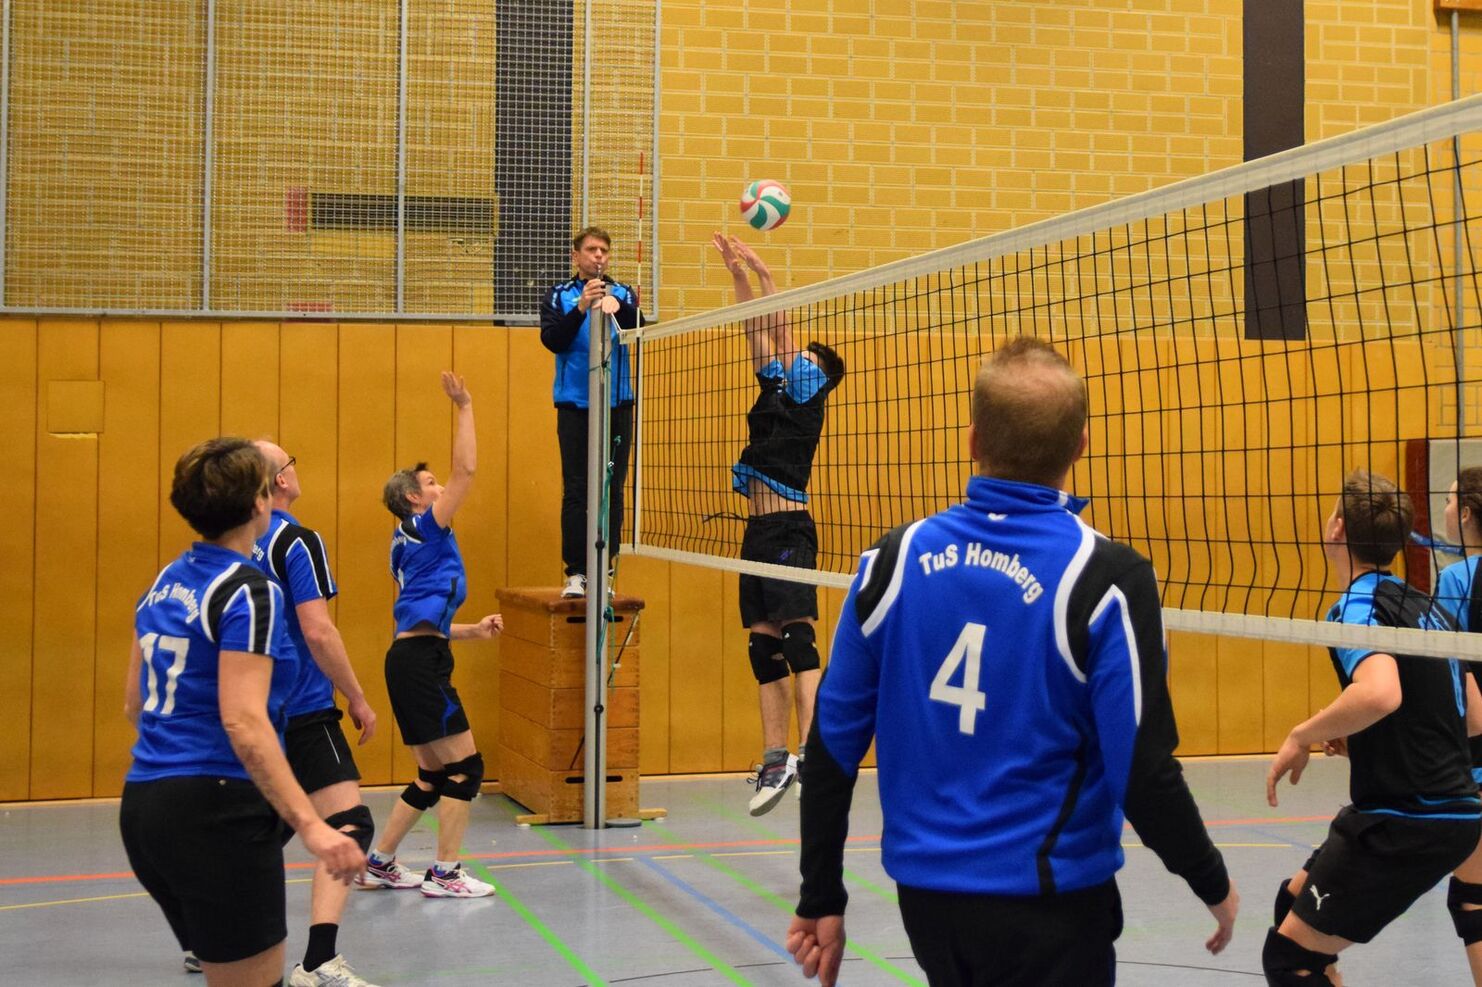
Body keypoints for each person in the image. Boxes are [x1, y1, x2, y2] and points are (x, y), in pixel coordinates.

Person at [787, 339, 1237, 987]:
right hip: (1052, 906)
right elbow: (1141, 768)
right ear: (1081, 444)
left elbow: (830, 746)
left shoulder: (889, 563)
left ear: (971, 438)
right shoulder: (1108, 577)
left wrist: (820, 894)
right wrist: (1210, 878)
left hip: (929, 906)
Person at [122, 437, 365, 987]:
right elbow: (243, 720)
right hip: (217, 811)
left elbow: (134, 703)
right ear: (259, 503)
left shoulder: (164, 582)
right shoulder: (249, 591)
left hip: (144, 809)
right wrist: (311, 826)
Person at [1264, 469, 1481, 985]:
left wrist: (1302, 735)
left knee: (1290, 960)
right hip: (1458, 811)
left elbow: (1382, 693)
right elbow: (1473, 715)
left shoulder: (1358, 606)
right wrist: (1368, 734)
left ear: (1337, 528)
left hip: (1404, 820)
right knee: (1292, 901)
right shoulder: (1429, 605)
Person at [713, 233, 845, 816]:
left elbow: (784, 335)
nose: (798, 362)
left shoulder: (808, 400)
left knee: (798, 640)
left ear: (821, 380)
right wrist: (737, 276)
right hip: (756, 534)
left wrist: (767, 276)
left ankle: (816, 753)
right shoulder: (775, 387)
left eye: (810, 363)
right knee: (763, 650)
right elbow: (754, 327)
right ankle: (775, 757)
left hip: (790, 529)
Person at [249, 441, 386, 987]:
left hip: (250, 710)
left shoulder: (237, 542)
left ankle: (209, 936)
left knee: (269, 826)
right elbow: (318, 629)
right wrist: (355, 695)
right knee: (348, 824)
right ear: (279, 482)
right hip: (303, 706)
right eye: (290, 463)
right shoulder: (296, 540)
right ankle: (317, 961)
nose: (296, 471)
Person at [370, 371, 503, 899]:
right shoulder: (424, 528)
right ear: (412, 497)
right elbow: (467, 471)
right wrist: (465, 405)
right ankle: (445, 873)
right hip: (420, 665)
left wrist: (473, 629)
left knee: (431, 776)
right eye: (431, 485)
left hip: (410, 658)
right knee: (466, 768)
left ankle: (380, 861)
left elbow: (421, 624)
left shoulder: (403, 543)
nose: (441, 489)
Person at [539, 226, 646, 599]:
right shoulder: (560, 295)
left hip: (617, 403)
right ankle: (577, 572)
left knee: (612, 489)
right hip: (575, 405)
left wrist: (624, 310)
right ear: (576, 256)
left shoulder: (623, 293)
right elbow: (552, 340)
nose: (598, 256)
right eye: (591, 250)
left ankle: (607, 567)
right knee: (578, 490)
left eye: (604, 250)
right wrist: (583, 307)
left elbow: (640, 330)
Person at [1427, 466, 1482, 986]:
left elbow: (1450, 678)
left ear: (1465, 512)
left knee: (1472, 898)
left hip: (1478, 756)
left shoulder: (1457, 579)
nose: (1442, 510)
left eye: (1447, 501)